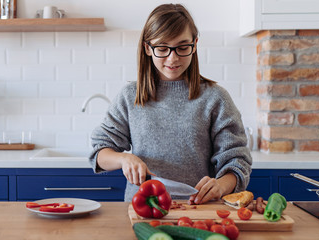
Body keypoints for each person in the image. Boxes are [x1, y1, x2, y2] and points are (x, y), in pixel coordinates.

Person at [88, 3, 252, 204]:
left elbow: (237, 161)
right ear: (148, 48)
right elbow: (99, 152)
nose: (172, 58)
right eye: (162, 48)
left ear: (195, 44)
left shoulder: (215, 98)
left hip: (197, 210)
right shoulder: (130, 96)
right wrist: (124, 159)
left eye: (182, 47)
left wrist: (220, 186)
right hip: (143, 210)